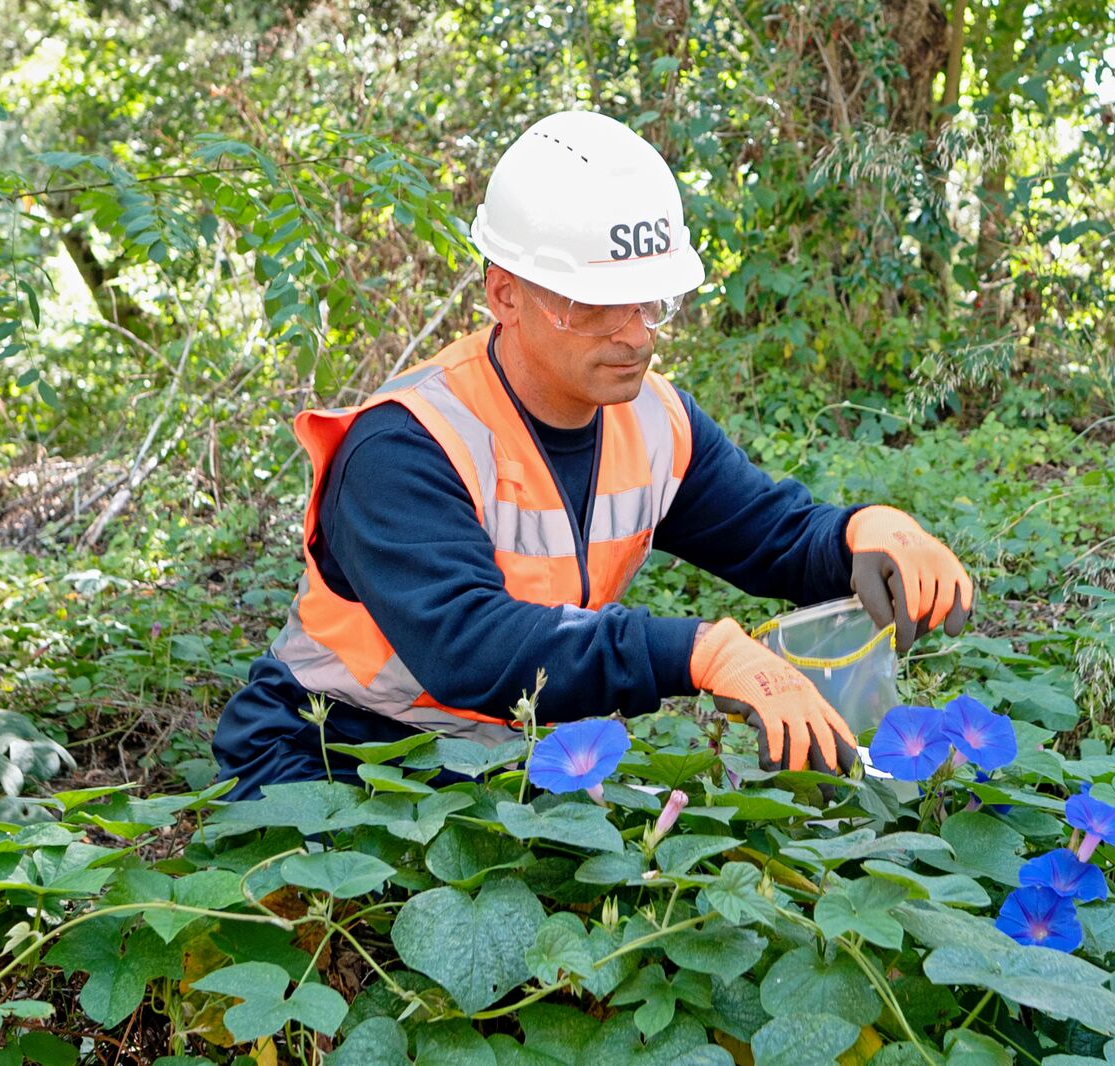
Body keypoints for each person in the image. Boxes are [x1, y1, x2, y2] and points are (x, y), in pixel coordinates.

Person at [212, 111, 974, 800]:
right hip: (328, 758)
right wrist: (698, 651)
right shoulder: (405, 444)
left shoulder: (654, 420)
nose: (636, 334)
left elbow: (774, 537)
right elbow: (472, 649)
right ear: (503, 293)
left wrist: (868, 533)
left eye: (650, 301)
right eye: (593, 304)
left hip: (500, 765)